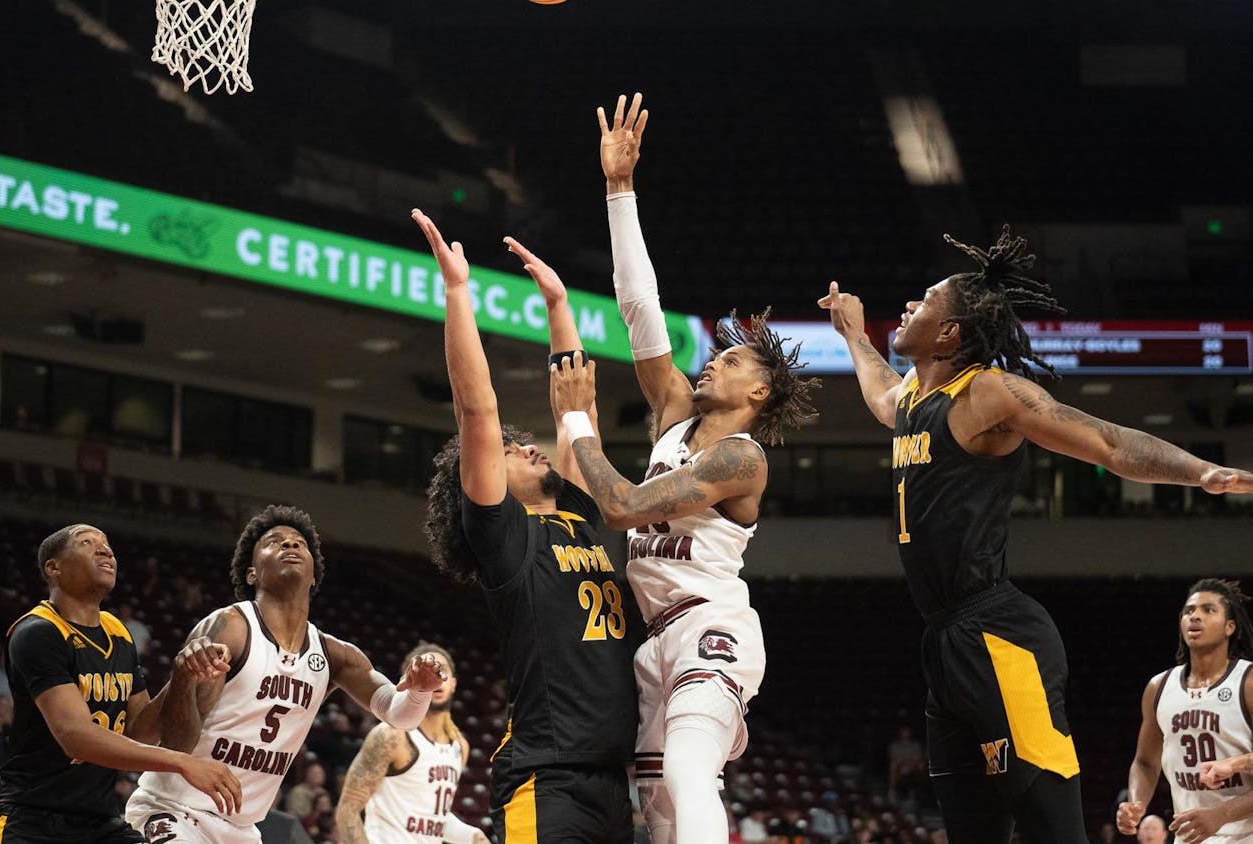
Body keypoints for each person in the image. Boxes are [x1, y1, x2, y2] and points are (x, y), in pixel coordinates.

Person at [818, 225, 1253, 843]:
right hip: (945, 641)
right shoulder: (915, 397)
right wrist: (856, 337)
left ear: (950, 333)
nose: (910, 305)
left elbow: (1107, 441)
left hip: (999, 637)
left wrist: (1201, 472)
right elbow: (881, 394)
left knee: (1054, 830)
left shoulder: (987, 392)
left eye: (924, 300)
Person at [550, 92, 818, 844]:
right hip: (655, 635)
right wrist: (619, 189)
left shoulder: (739, 456)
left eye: (729, 360)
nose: (711, 362)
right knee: (658, 809)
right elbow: (641, 306)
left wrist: (578, 420)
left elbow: (623, 507)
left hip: (711, 626)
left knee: (687, 775)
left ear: (758, 391)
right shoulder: (675, 411)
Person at [415, 209, 641, 842]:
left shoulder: (574, 513)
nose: (530, 448)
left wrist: (559, 308)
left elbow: (578, 409)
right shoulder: (507, 541)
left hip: (610, 781)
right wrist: (458, 292)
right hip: (548, 776)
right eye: (513, 451)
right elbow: (477, 409)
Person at [124, 504, 445, 844]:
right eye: (274, 541)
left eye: (298, 543)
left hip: (241, 830)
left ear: (313, 574)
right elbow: (177, 747)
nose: (289, 545)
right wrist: (185, 679)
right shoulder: (231, 628)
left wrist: (419, 691)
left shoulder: (335, 655)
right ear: (252, 573)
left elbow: (398, 713)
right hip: (175, 811)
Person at [0, 523, 240, 843]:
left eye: (107, 545)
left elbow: (140, 731)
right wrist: (182, 763)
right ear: (53, 568)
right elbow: (76, 737)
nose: (105, 550)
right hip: (33, 820)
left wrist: (182, 675)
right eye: (86, 543)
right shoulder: (38, 632)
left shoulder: (118, 632)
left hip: (100, 820)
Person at [1120, 580, 1253, 844]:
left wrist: (1222, 814)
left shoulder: (1247, 682)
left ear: (1230, 627)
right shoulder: (1158, 688)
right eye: (1188, 610)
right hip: (1191, 836)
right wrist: (1136, 803)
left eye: (1208, 610)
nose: (1195, 616)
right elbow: (1146, 763)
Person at [335, 643, 487, 844]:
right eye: (425, 672)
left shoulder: (459, 746)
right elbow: (347, 811)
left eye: (442, 670)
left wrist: (472, 836)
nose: (435, 677)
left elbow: (431, 818)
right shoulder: (391, 736)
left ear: (453, 684)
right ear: (409, 682)